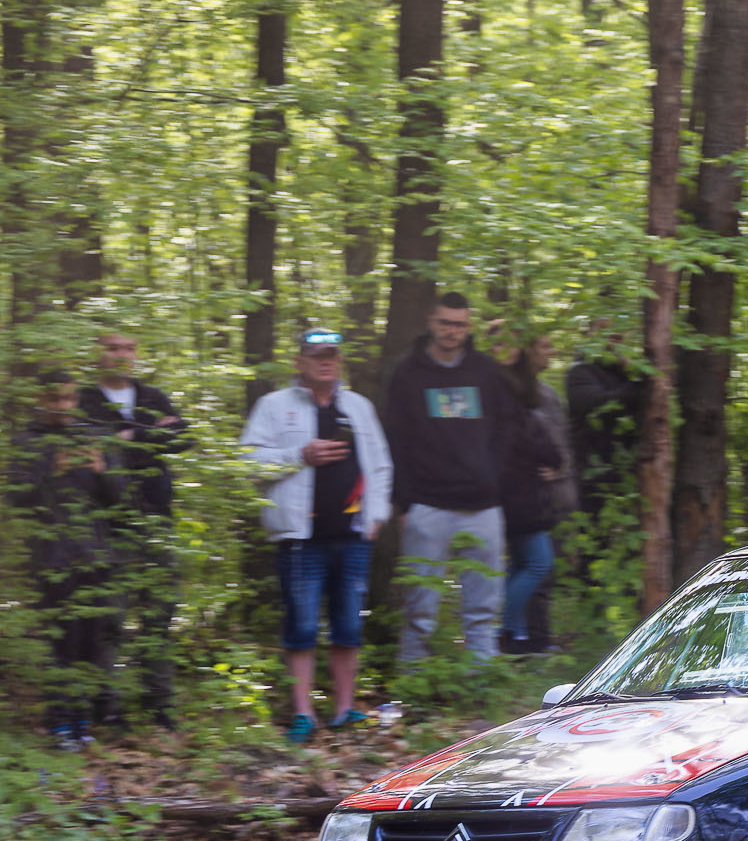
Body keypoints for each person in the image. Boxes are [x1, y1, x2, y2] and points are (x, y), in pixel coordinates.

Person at [239, 329, 394, 742]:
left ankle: (344, 709)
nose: (327, 362)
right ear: (300, 362)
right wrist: (300, 455)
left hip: (353, 535)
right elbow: (248, 463)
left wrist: (377, 514)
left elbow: (380, 465)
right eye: (317, 355)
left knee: (349, 625)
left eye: (332, 355)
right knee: (302, 625)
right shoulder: (274, 406)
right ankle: (303, 713)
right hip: (299, 538)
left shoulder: (358, 407)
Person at [383, 292, 522, 662]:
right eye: (445, 322)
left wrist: (494, 478)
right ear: (431, 321)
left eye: (459, 324)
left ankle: (481, 682)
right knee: (420, 606)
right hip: (427, 504)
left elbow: (507, 427)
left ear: (468, 326)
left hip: (483, 504)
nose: (451, 331)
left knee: (483, 607)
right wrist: (404, 502)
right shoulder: (408, 373)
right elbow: (394, 438)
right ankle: (414, 683)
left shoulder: (485, 371)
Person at [78, 331, 190, 728]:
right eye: (112, 348)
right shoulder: (84, 400)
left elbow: (183, 436)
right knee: (110, 615)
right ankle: (107, 705)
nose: (122, 355)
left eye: (129, 348)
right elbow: (84, 445)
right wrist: (150, 434)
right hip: (106, 521)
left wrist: (132, 435)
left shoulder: (151, 396)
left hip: (157, 519)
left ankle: (159, 704)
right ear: (98, 353)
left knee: (159, 613)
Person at [9, 370, 123, 750]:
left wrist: (102, 472)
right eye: (55, 399)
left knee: (93, 642)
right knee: (61, 644)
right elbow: (15, 499)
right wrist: (51, 472)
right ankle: (59, 723)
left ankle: (82, 721)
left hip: (96, 554)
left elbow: (117, 498)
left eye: (70, 399)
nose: (63, 406)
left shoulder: (95, 436)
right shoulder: (26, 441)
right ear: (41, 399)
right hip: (52, 557)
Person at [491, 328, 572, 655]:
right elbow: (533, 440)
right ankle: (506, 629)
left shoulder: (530, 389)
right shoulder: (501, 389)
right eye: (499, 342)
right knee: (539, 563)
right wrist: (550, 458)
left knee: (521, 563)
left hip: (525, 493)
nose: (505, 349)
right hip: (517, 495)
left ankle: (517, 635)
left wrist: (556, 465)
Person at [565, 316, 643, 518]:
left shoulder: (624, 372)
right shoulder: (580, 370)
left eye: (618, 337)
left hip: (626, 473)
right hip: (593, 475)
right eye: (608, 335)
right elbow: (599, 405)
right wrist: (637, 384)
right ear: (593, 336)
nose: (614, 342)